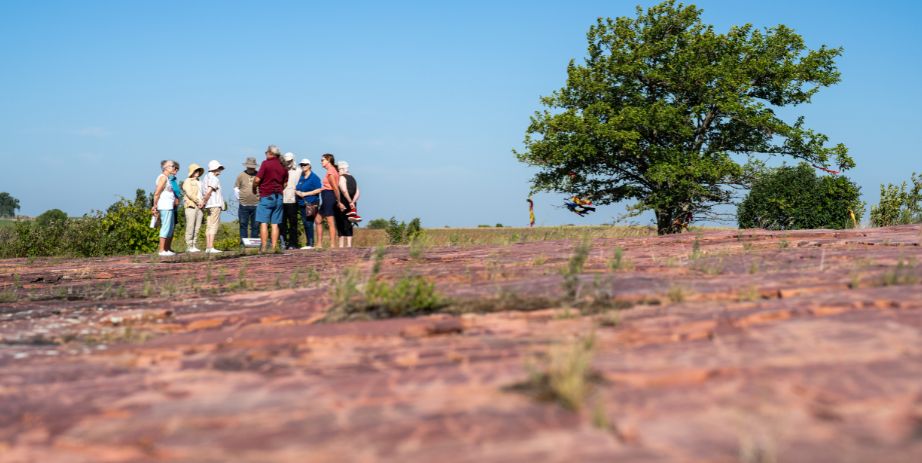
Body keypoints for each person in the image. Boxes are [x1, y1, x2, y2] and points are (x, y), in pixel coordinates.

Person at [253, 145, 288, 252]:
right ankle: (274, 248)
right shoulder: (283, 165)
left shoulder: (266, 164)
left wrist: (254, 188)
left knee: (263, 222)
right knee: (275, 224)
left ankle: (263, 248)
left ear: (270, 153)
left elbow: (257, 179)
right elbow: (285, 184)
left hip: (266, 196)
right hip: (279, 197)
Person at [151, 160, 180, 256]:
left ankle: (166, 249)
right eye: (172, 166)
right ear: (166, 167)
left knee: (170, 227)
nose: (173, 167)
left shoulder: (168, 178)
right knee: (165, 227)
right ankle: (162, 250)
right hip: (164, 205)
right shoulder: (163, 178)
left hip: (169, 206)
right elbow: (157, 193)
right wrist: (155, 205)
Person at [317, 153, 345, 249]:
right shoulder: (330, 171)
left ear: (328, 160)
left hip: (329, 196)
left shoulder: (331, 172)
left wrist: (339, 201)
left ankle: (332, 245)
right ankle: (319, 244)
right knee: (318, 219)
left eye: (322, 160)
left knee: (330, 221)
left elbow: (335, 188)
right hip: (326, 196)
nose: (321, 162)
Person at [295, 158, 322, 249]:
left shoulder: (314, 177)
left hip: (311, 202)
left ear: (309, 166)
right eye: (301, 165)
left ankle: (311, 243)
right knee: (305, 223)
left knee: (309, 222)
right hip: (302, 203)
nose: (303, 166)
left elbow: (319, 189)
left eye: (305, 164)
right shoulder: (301, 177)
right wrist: (297, 192)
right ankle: (308, 242)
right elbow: (298, 187)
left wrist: (305, 194)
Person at [201, 160, 225, 254]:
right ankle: (210, 247)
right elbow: (209, 191)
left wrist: (204, 202)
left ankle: (208, 247)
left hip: (209, 205)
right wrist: (204, 201)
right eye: (218, 168)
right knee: (213, 225)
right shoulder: (214, 178)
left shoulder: (206, 177)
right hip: (214, 204)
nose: (220, 170)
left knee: (209, 225)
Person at [336, 161, 361, 248]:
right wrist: (353, 202)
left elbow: (343, 190)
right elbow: (358, 192)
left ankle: (341, 245)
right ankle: (349, 244)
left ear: (343, 169)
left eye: (339, 169)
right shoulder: (353, 178)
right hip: (353, 203)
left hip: (344, 201)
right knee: (349, 222)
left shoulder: (342, 178)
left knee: (341, 222)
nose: (338, 171)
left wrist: (349, 201)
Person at [234, 157, 260, 245]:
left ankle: (254, 244)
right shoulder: (241, 175)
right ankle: (243, 244)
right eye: (249, 166)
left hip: (256, 205)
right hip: (243, 205)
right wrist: (240, 199)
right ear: (246, 166)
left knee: (255, 226)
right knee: (243, 224)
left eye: (252, 167)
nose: (251, 168)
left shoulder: (259, 174)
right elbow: (236, 188)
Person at [181, 163, 205, 252]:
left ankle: (194, 244)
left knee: (197, 226)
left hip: (200, 206)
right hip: (191, 205)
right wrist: (198, 201)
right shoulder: (187, 181)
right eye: (196, 170)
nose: (197, 172)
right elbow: (189, 193)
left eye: (198, 170)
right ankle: (189, 245)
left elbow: (203, 193)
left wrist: (203, 202)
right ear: (192, 171)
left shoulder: (200, 182)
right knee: (190, 226)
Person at [280, 152, 301, 249]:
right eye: (286, 161)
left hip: (293, 200)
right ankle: (283, 243)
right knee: (282, 223)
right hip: (282, 199)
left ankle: (293, 243)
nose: (288, 163)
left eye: (290, 161)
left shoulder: (298, 171)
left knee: (293, 224)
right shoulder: (281, 170)